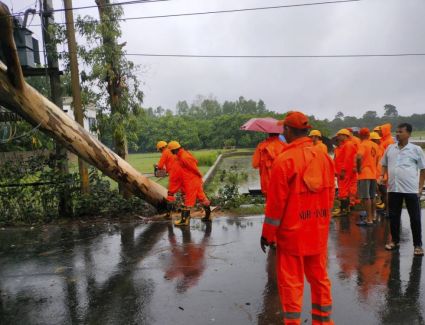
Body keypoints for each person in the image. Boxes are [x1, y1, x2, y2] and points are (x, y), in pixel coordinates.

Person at [261, 111, 335, 325]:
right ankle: (323, 321)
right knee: (320, 278)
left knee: (292, 283)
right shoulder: (324, 157)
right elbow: (330, 197)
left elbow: (275, 206)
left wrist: (267, 235)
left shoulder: (284, 160)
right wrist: (322, 222)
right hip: (317, 232)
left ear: (287, 130)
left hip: (292, 235)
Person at [380, 123, 425, 256]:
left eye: (400, 132)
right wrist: (382, 176)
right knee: (394, 216)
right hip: (393, 188)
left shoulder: (416, 149)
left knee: (415, 218)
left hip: (411, 189)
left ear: (408, 134)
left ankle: (418, 245)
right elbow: (383, 164)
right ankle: (394, 241)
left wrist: (421, 186)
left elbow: (423, 169)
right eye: (397, 131)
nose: (397, 134)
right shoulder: (390, 148)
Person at [167, 141, 211, 226]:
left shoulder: (184, 157)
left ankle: (184, 220)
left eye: (171, 150)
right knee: (202, 198)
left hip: (192, 182)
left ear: (174, 149)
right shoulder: (180, 155)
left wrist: (198, 177)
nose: (171, 152)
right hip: (192, 181)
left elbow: (194, 168)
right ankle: (208, 216)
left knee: (188, 201)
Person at [355, 128, 379, 226]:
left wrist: (358, 168)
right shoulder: (375, 145)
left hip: (364, 173)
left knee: (366, 197)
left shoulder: (363, 144)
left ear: (360, 135)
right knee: (372, 196)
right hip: (373, 173)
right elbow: (377, 159)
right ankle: (373, 216)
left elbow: (359, 157)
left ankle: (368, 219)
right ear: (369, 135)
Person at [333, 128, 357, 216]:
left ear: (344, 135)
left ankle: (343, 210)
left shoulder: (348, 145)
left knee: (343, 190)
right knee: (344, 190)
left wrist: (343, 170)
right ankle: (346, 209)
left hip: (345, 172)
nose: (338, 137)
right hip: (345, 171)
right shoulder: (346, 145)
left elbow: (347, 159)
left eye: (339, 135)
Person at [155, 141, 182, 216]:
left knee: (170, 193)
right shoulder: (172, 151)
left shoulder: (165, 153)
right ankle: (180, 206)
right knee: (181, 191)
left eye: (160, 150)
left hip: (174, 174)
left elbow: (160, 166)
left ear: (162, 148)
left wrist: (156, 166)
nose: (160, 151)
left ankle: (169, 213)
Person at [370, 132, 386, 210]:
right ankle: (383, 205)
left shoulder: (380, 148)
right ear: (372, 140)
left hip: (380, 173)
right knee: (380, 190)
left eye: (378, 139)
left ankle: (387, 209)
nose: (379, 140)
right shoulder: (374, 148)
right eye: (377, 140)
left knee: (383, 190)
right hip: (375, 173)